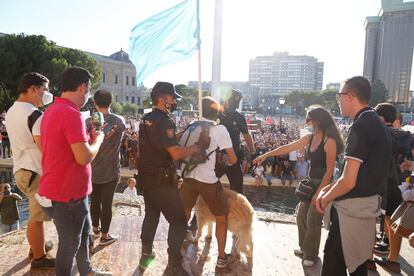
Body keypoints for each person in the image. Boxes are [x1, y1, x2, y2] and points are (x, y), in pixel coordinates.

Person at [315, 76, 392, 276]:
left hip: (351, 211)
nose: (338, 100)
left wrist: (324, 196)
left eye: (339, 95)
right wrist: (328, 189)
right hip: (366, 206)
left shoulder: (361, 126)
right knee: (354, 265)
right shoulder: (376, 121)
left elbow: (349, 181)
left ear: (350, 96)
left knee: (336, 266)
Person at [38, 67, 109, 275]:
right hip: (68, 193)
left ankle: (86, 270)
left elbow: (60, 148)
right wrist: (98, 141)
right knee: (70, 244)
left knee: (85, 233)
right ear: (82, 87)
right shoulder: (72, 114)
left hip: (65, 190)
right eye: (88, 90)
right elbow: (84, 157)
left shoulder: (51, 110)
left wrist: (87, 139)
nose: (88, 96)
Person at [254, 105, 344, 267]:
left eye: (308, 118)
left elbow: (330, 170)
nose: (306, 121)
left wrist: (321, 192)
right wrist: (266, 154)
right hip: (310, 182)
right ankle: (304, 248)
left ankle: (311, 254)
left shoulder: (329, 141)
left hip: (322, 183)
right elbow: (287, 147)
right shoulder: (309, 138)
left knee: (313, 220)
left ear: (317, 121)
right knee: (301, 216)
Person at [136, 81, 207, 275]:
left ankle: (146, 255)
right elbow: (175, 153)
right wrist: (195, 148)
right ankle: (174, 265)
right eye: (172, 97)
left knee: (151, 216)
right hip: (161, 179)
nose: (174, 101)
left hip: (146, 178)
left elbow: (161, 141)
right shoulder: (166, 121)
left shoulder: (146, 118)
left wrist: (182, 133)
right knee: (178, 222)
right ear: (163, 98)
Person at [179, 96, 237, 270]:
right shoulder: (220, 129)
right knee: (221, 217)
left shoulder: (190, 127)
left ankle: (178, 246)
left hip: (188, 177)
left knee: (185, 213)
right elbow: (232, 158)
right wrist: (227, 160)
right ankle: (221, 257)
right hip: (207, 180)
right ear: (217, 111)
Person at [5, 72, 55, 269]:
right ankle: (40, 259)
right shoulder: (35, 114)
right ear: (33, 89)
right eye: (45, 89)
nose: (47, 94)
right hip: (35, 169)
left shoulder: (11, 111)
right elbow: (44, 147)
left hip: (21, 169)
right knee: (37, 217)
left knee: (36, 215)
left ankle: (36, 248)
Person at [373, 103, 410, 273]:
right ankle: (391, 257)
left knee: (389, 221)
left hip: (384, 184)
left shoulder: (378, 135)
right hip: (404, 184)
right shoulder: (408, 135)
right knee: (391, 220)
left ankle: (393, 259)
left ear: (379, 117)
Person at [88, 89, 126, 246]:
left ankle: (95, 229)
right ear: (111, 102)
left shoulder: (88, 122)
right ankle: (104, 235)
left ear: (95, 103)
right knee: (106, 203)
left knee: (94, 201)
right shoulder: (119, 121)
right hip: (111, 169)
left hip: (92, 169)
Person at [216, 89, 255, 194]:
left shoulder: (238, 117)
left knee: (237, 189)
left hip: (231, 158)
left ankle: (236, 209)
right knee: (208, 186)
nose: (237, 102)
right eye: (236, 99)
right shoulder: (218, 114)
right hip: (219, 158)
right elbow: (247, 136)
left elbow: (247, 136)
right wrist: (252, 152)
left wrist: (252, 152)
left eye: (238, 99)